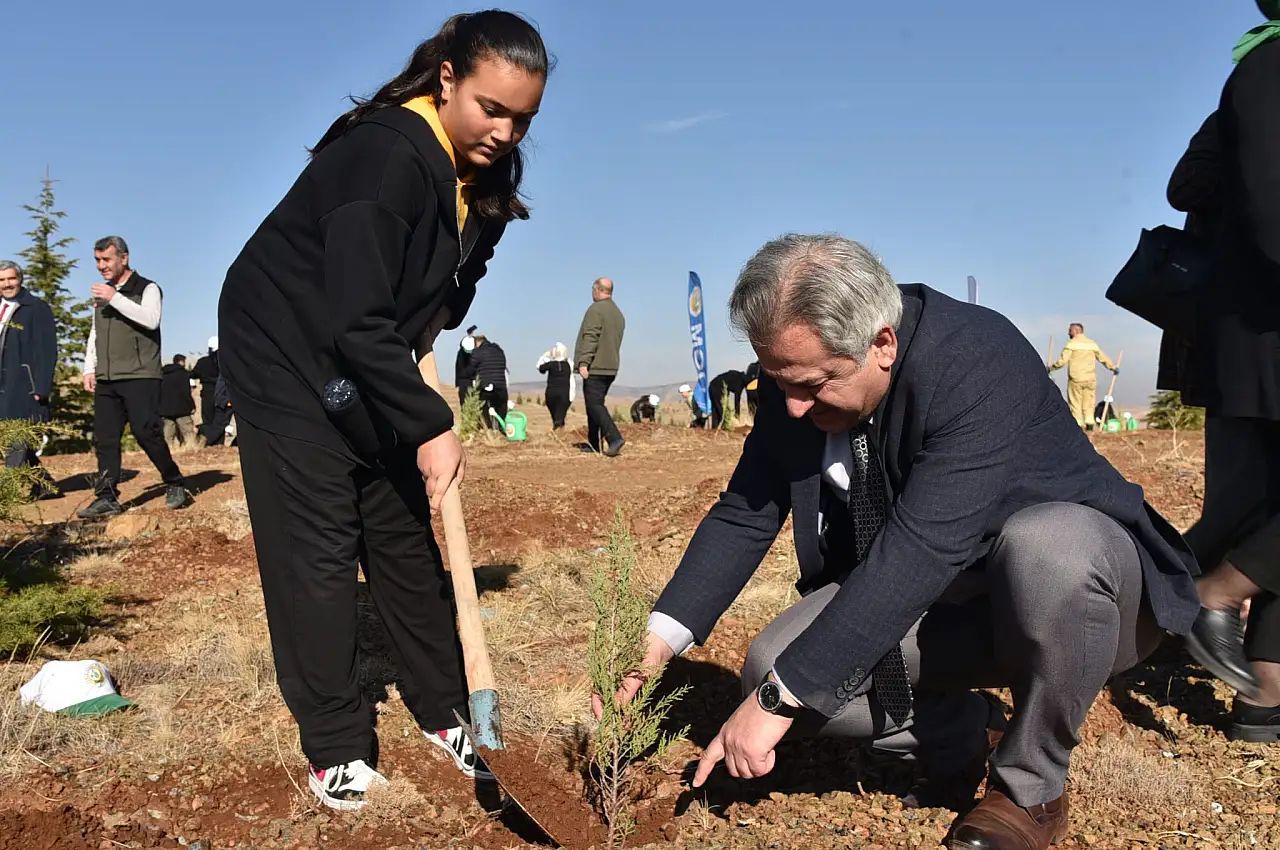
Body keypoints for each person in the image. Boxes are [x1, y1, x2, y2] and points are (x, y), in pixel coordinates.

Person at [601, 235, 1198, 850]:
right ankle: (962, 731)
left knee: (1049, 545)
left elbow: (920, 548)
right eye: (779, 382)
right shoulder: (795, 378)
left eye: (813, 384)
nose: (793, 407)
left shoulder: (975, 358)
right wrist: (653, 646)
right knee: (771, 666)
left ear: (881, 344)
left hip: (1081, 598)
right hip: (948, 604)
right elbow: (745, 514)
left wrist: (777, 701)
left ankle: (1031, 789)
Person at [216, 10, 550, 810]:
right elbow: (351, 316)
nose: (505, 132)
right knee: (320, 547)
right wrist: (432, 424)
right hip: (286, 348)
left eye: (522, 117)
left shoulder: (483, 176)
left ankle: (445, 708)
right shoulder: (384, 156)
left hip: (362, 348)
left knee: (401, 527)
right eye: (490, 109)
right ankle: (335, 740)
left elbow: (451, 280)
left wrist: (429, 327)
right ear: (447, 80)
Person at [1168, 2, 1280, 742]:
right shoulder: (1271, 64)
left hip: (1255, 320)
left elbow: (1197, 183)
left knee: (1269, 504)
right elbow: (1273, 209)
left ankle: (1264, 697)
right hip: (1268, 326)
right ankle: (1207, 590)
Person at [78, 237, 188, 517]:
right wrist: (89, 367)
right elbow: (95, 333)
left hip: (141, 375)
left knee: (146, 433)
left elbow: (150, 319)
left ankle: (174, 481)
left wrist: (114, 298)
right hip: (107, 377)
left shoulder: (147, 288)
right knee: (105, 438)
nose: (101, 266)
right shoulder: (103, 294)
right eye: (97, 260)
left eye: (106, 259)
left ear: (123, 259)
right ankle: (106, 496)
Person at [0, 261, 57, 498]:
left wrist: (41, 387)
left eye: (10, 279)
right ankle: (44, 483)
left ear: (20, 279)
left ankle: (6, 493)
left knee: (17, 436)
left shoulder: (36, 308)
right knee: (12, 439)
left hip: (25, 385)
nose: (6, 284)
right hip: (2, 386)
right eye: (1, 280)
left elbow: (47, 350)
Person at [573, 277, 625, 456]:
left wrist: (584, 362)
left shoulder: (596, 310)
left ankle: (614, 438)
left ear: (596, 290)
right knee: (593, 404)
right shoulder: (617, 313)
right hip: (611, 366)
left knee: (595, 404)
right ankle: (595, 444)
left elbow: (591, 336)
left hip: (596, 366)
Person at [1049, 323, 1118, 430]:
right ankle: (1089, 424)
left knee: (1075, 402)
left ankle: (1078, 424)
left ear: (1076, 331)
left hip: (1076, 378)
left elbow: (1062, 361)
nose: (1068, 333)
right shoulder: (1092, 344)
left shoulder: (1071, 344)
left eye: (1070, 330)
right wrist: (1113, 367)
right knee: (1089, 402)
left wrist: (1051, 368)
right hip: (1090, 379)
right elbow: (1103, 358)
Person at [470, 334, 508, 429]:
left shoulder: (478, 352)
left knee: (483, 409)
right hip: (501, 386)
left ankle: (487, 430)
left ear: (477, 342)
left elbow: (471, 368)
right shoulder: (499, 351)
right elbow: (503, 365)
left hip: (485, 386)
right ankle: (501, 429)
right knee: (501, 409)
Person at [160, 354, 197, 449]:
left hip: (166, 409)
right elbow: (185, 392)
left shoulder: (163, 374)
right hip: (182, 408)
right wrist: (191, 405)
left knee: (167, 435)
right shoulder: (183, 374)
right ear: (181, 362)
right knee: (188, 433)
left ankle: (168, 451)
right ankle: (190, 450)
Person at [537, 342, 572, 429]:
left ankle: (558, 429)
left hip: (551, 393)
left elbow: (540, 368)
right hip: (564, 394)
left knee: (555, 416)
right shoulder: (568, 365)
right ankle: (560, 429)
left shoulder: (551, 365)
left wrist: (544, 356)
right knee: (560, 416)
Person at [191, 337, 220, 444]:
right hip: (221, 392)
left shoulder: (202, 362)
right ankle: (219, 443)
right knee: (219, 419)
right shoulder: (224, 361)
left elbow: (193, 374)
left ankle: (209, 442)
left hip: (207, 392)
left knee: (208, 419)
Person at [454, 325, 478, 407]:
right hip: (467, 380)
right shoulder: (470, 352)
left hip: (465, 381)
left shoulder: (461, 352)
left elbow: (457, 367)